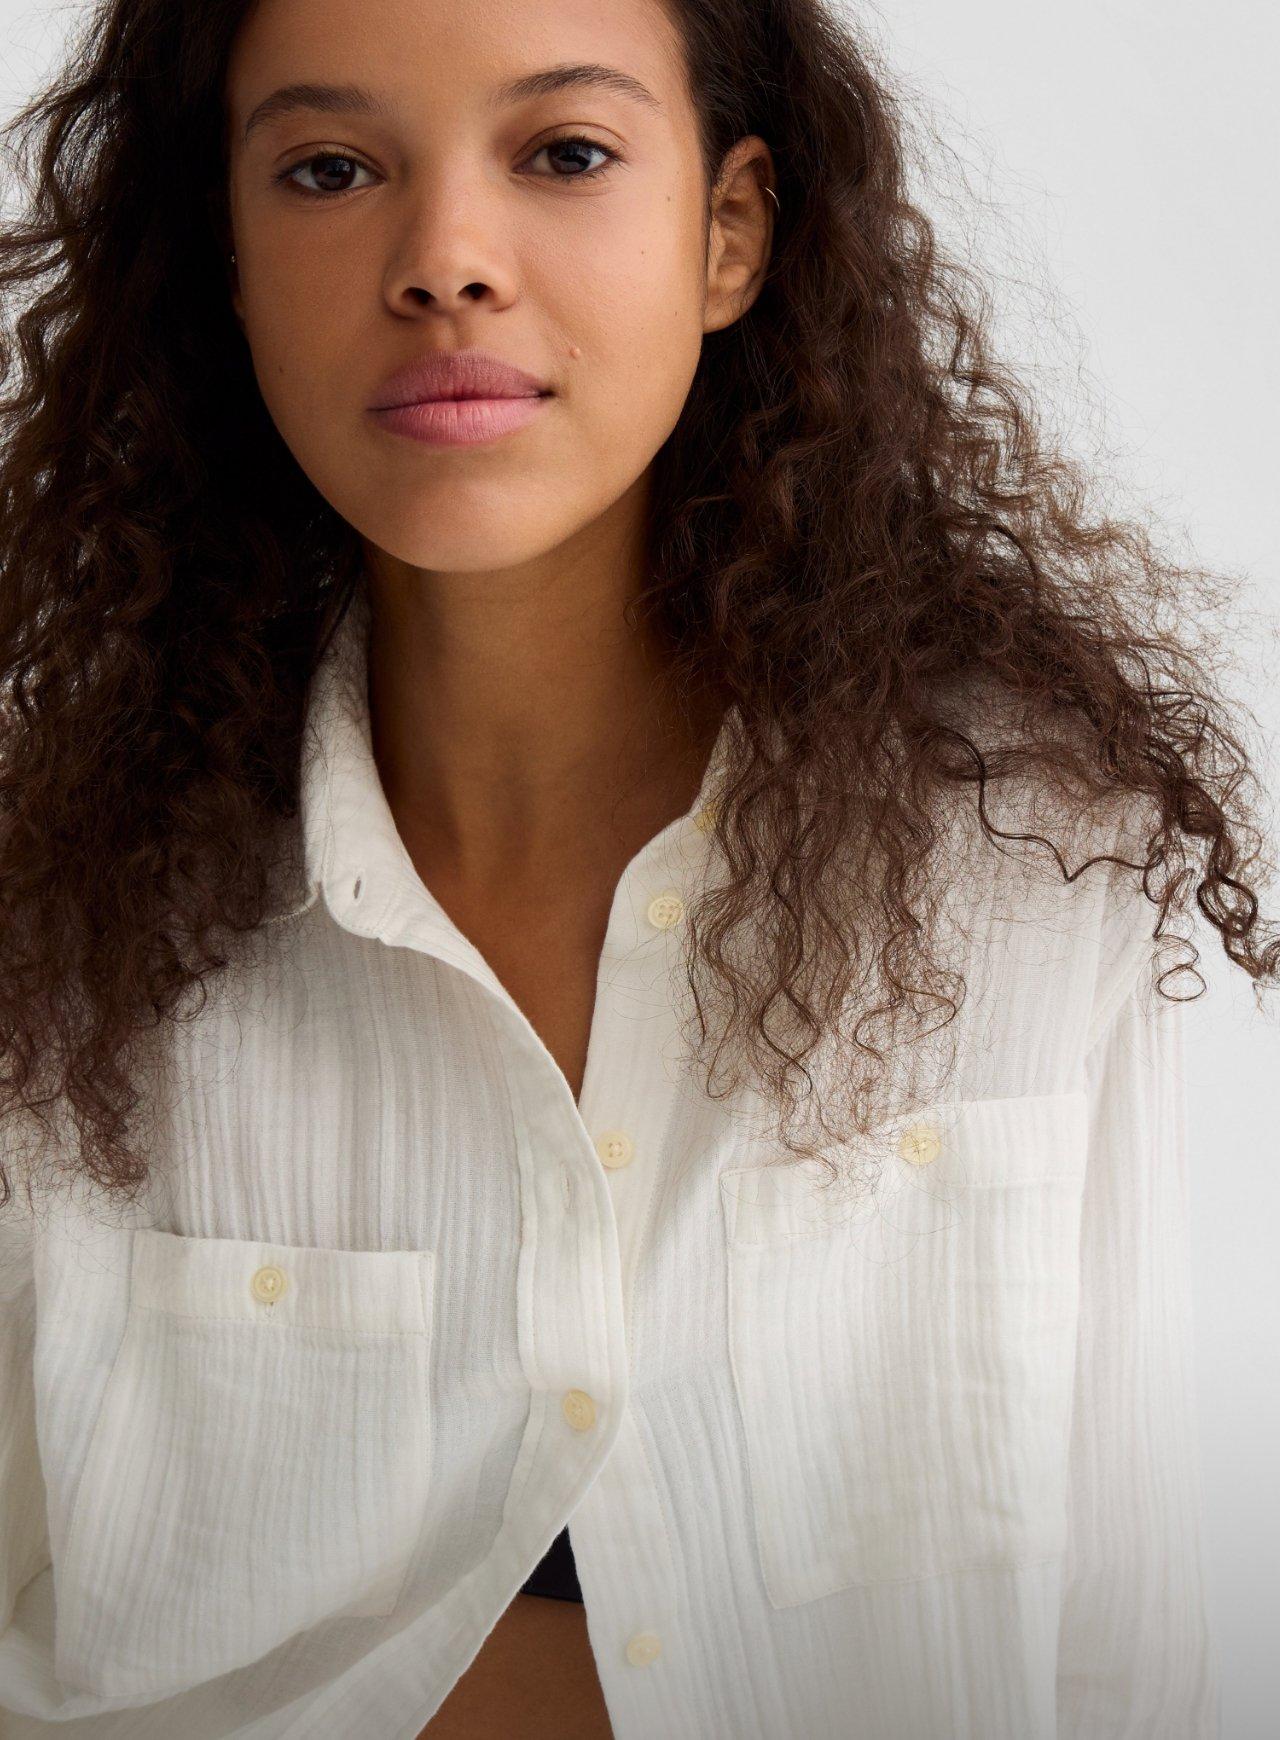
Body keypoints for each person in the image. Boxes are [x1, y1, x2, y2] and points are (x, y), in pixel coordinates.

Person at [0, 0, 1271, 1734]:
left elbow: (1132, 1646)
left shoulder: (1034, 849)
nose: (446, 258)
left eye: (566, 153)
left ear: (728, 232)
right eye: (328, 168)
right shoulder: (52, 918)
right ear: (225, 255)